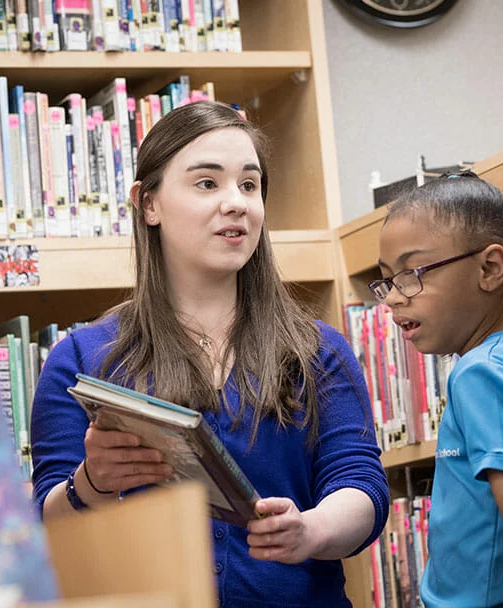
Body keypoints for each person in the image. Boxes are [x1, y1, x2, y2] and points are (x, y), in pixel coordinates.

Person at [29, 101, 388, 607]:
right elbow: (48, 525)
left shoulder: (318, 349)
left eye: (249, 184)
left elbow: (361, 486)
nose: (236, 202)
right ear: (147, 203)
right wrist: (92, 484)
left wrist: (310, 530)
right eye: (207, 183)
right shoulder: (81, 359)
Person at [373, 174, 503, 607]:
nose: (394, 297)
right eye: (387, 281)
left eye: (412, 274)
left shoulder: (480, 375)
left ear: (489, 268)